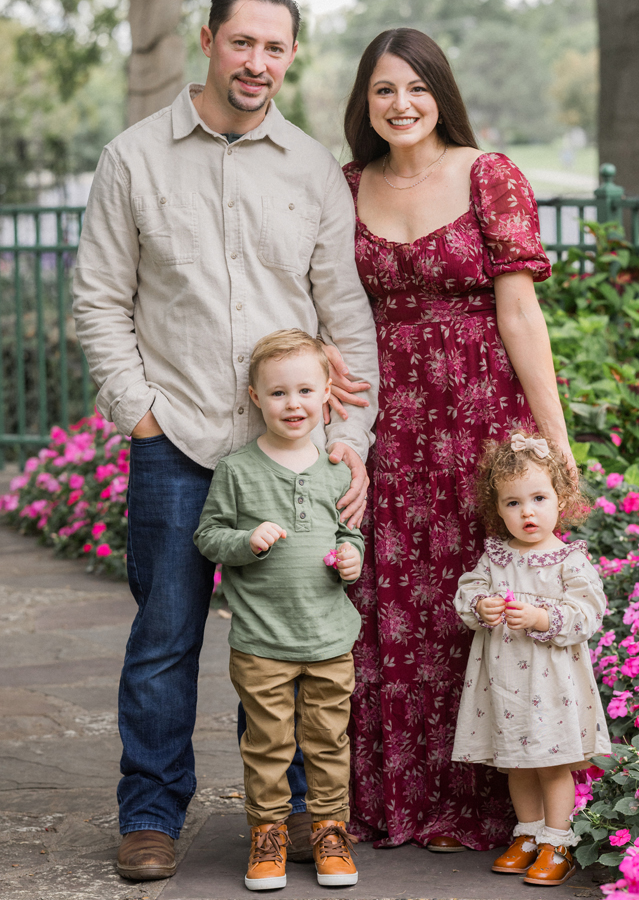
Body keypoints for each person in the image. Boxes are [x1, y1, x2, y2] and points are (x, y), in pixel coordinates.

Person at [71, 0, 379, 883]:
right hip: (179, 443)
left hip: (292, 456)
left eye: (275, 47)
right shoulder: (134, 158)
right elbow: (100, 301)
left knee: (289, 636)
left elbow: (346, 318)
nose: (257, 62)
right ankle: (152, 814)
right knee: (165, 637)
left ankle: (283, 820)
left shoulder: (313, 169)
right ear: (208, 40)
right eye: (242, 41)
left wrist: (345, 441)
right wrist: (142, 413)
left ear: (291, 55)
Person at [334, 27, 571, 852]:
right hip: (386, 421)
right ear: (365, 103)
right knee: (393, 606)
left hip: (477, 415)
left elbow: (519, 314)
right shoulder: (345, 185)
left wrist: (552, 438)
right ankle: (401, 799)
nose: (401, 105)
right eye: (384, 91)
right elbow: (330, 308)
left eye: (416, 88)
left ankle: (492, 807)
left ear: (442, 94)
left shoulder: (488, 175)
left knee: (481, 602)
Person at [194, 329, 364, 891]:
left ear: (325, 396)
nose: (294, 404)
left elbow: (349, 531)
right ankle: (267, 838)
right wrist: (246, 542)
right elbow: (208, 536)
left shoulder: (338, 468)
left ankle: (329, 833)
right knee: (267, 745)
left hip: (328, 639)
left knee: (328, 742)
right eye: (279, 394)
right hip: (262, 642)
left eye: (305, 392)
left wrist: (350, 558)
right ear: (255, 398)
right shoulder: (237, 471)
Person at [451, 432, 610, 887]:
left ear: (561, 499)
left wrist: (542, 616)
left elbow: (588, 613)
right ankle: (527, 833)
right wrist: (480, 606)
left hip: (552, 686)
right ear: (497, 510)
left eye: (539, 498)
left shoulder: (568, 559)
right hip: (506, 687)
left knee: (552, 762)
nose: (527, 512)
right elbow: (468, 592)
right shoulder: (496, 556)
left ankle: (557, 840)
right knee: (516, 760)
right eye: (513, 503)